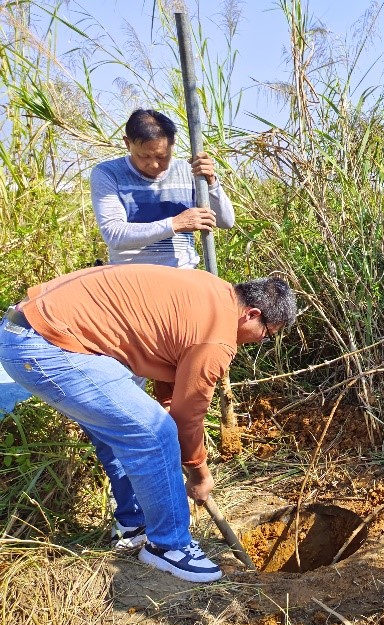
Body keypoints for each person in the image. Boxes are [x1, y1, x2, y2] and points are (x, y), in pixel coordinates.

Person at [0, 265, 296, 582]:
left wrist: (169, 408)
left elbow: (171, 357)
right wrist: (199, 473)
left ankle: (135, 523)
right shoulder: (218, 339)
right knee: (155, 433)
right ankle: (168, 546)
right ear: (252, 314)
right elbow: (185, 420)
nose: (260, 340)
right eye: (267, 334)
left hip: (31, 327)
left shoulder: (214, 291)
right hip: (45, 345)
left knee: (123, 423)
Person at [90, 109, 235, 269]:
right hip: (131, 278)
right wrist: (175, 224)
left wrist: (211, 183)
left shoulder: (189, 171)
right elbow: (114, 234)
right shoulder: (109, 173)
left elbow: (226, 221)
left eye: (161, 157)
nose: (154, 164)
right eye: (144, 156)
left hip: (182, 276)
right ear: (127, 143)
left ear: (173, 145)